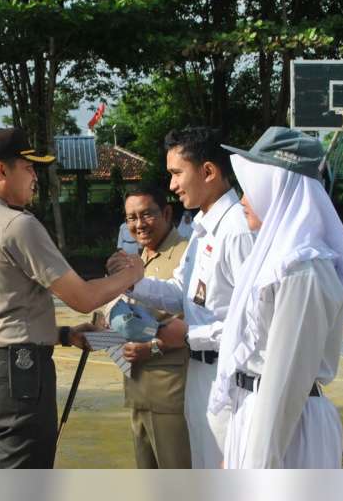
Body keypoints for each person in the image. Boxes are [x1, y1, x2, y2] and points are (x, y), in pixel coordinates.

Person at [0, 127, 145, 469]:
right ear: (1, 171)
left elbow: (4, 308)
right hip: (21, 375)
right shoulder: (17, 225)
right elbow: (84, 298)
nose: (34, 177)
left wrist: (62, 335)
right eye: (28, 168)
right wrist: (133, 273)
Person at [210, 126, 343, 468]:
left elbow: (284, 383)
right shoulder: (273, 261)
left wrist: (256, 465)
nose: (243, 200)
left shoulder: (302, 272)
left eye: (251, 188)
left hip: (286, 431)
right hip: (258, 419)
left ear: (276, 188)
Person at [107, 127, 255, 469]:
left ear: (207, 171)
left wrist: (188, 335)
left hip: (229, 379)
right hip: (199, 380)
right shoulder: (205, 227)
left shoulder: (237, 231)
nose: (172, 185)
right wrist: (132, 282)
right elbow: (180, 293)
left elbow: (252, 324)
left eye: (177, 173)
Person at [108, 186, 191, 469]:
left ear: (167, 213)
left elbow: (197, 324)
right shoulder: (138, 260)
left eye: (146, 215)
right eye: (131, 218)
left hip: (170, 394)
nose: (138, 225)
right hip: (137, 389)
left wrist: (152, 347)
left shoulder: (187, 256)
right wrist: (93, 331)